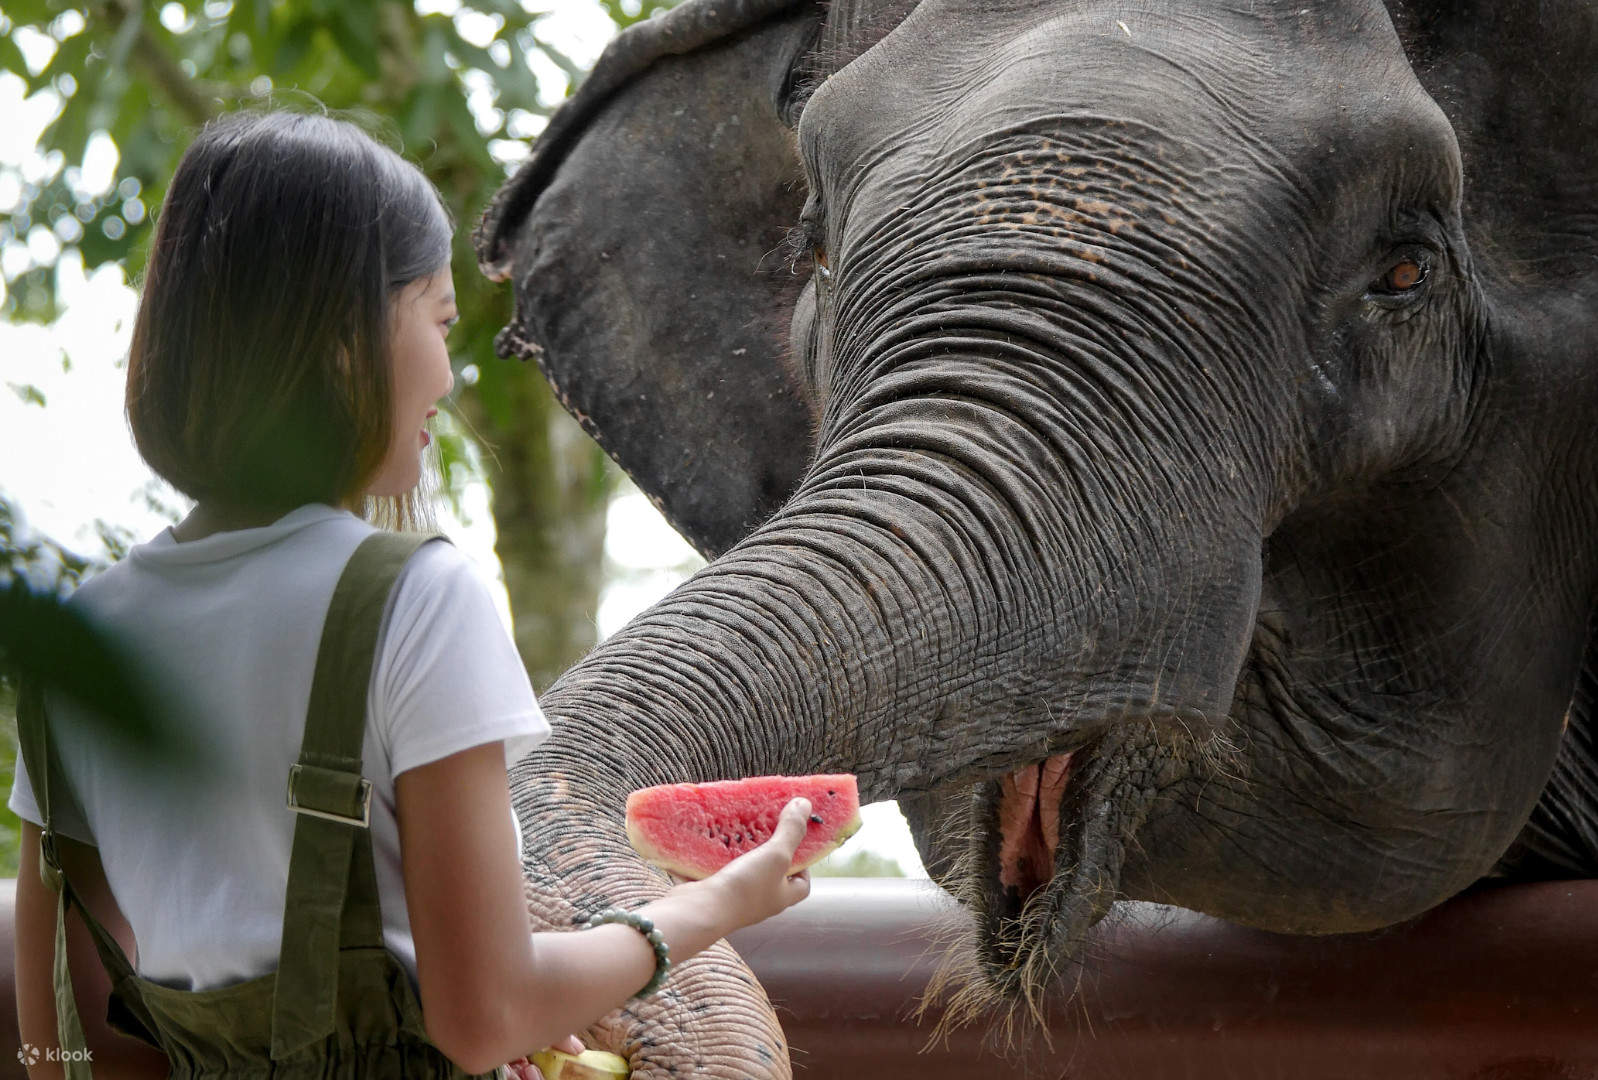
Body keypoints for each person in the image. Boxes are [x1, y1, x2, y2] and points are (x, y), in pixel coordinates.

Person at [8, 109, 814, 1079]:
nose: (445, 371)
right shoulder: (415, 603)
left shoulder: (81, 641)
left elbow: (68, 1046)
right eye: (435, 321)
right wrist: (715, 905)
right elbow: (483, 1016)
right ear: (343, 343)